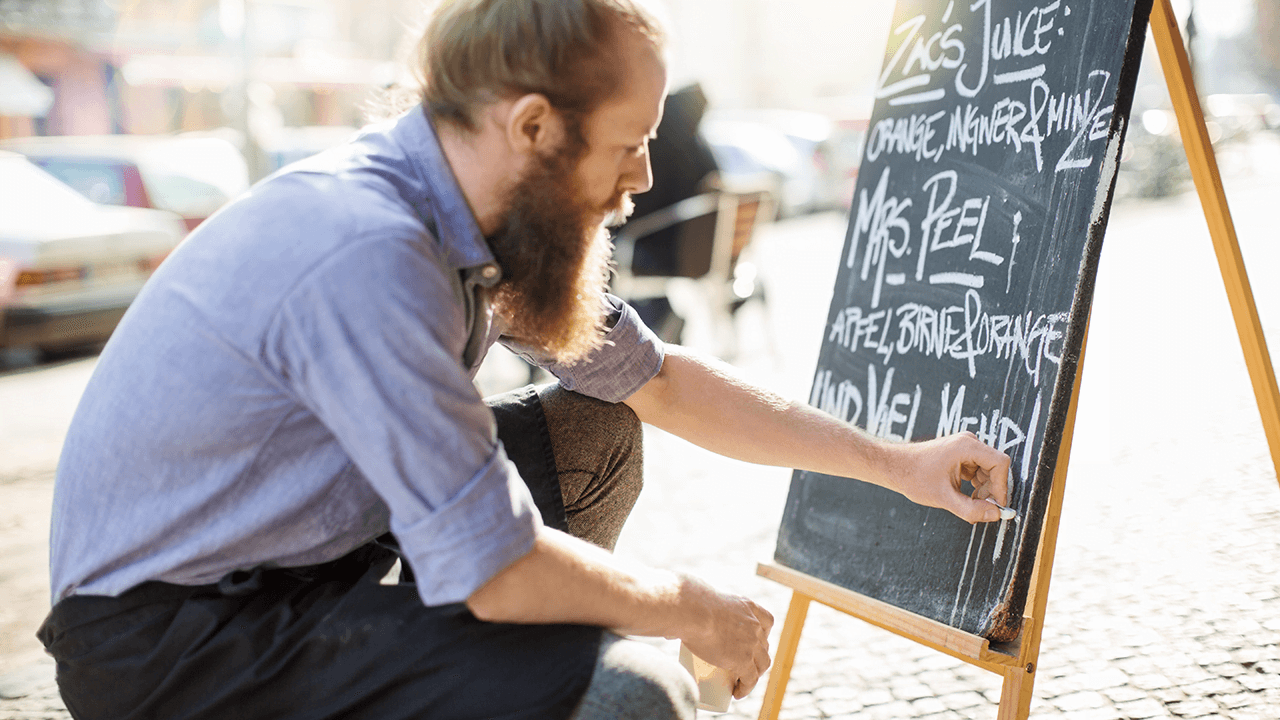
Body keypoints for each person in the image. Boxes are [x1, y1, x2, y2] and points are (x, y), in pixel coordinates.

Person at [38, 1, 1013, 719]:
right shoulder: (366, 249)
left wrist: (897, 465)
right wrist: (688, 613)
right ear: (535, 127)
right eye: (628, 146)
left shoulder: (471, 213)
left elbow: (659, 382)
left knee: (595, 431)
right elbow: (495, 571)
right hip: (172, 647)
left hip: (305, 566)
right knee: (633, 694)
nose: (638, 182)